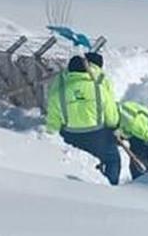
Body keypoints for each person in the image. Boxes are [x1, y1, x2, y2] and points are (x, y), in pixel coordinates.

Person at [45, 54, 122, 185]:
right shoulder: (98, 88)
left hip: (70, 135)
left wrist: (51, 133)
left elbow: (53, 119)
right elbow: (111, 114)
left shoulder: (59, 92)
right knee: (112, 160)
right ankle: (110, 187)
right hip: (97, 134)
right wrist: (113, 127)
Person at [117, 100, 148, 180]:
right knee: (134, 159)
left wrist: (145, 154)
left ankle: (145, 180)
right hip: (135, 130)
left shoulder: (133, 124)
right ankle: (137, 178)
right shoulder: (114, 114)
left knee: (139, 158)